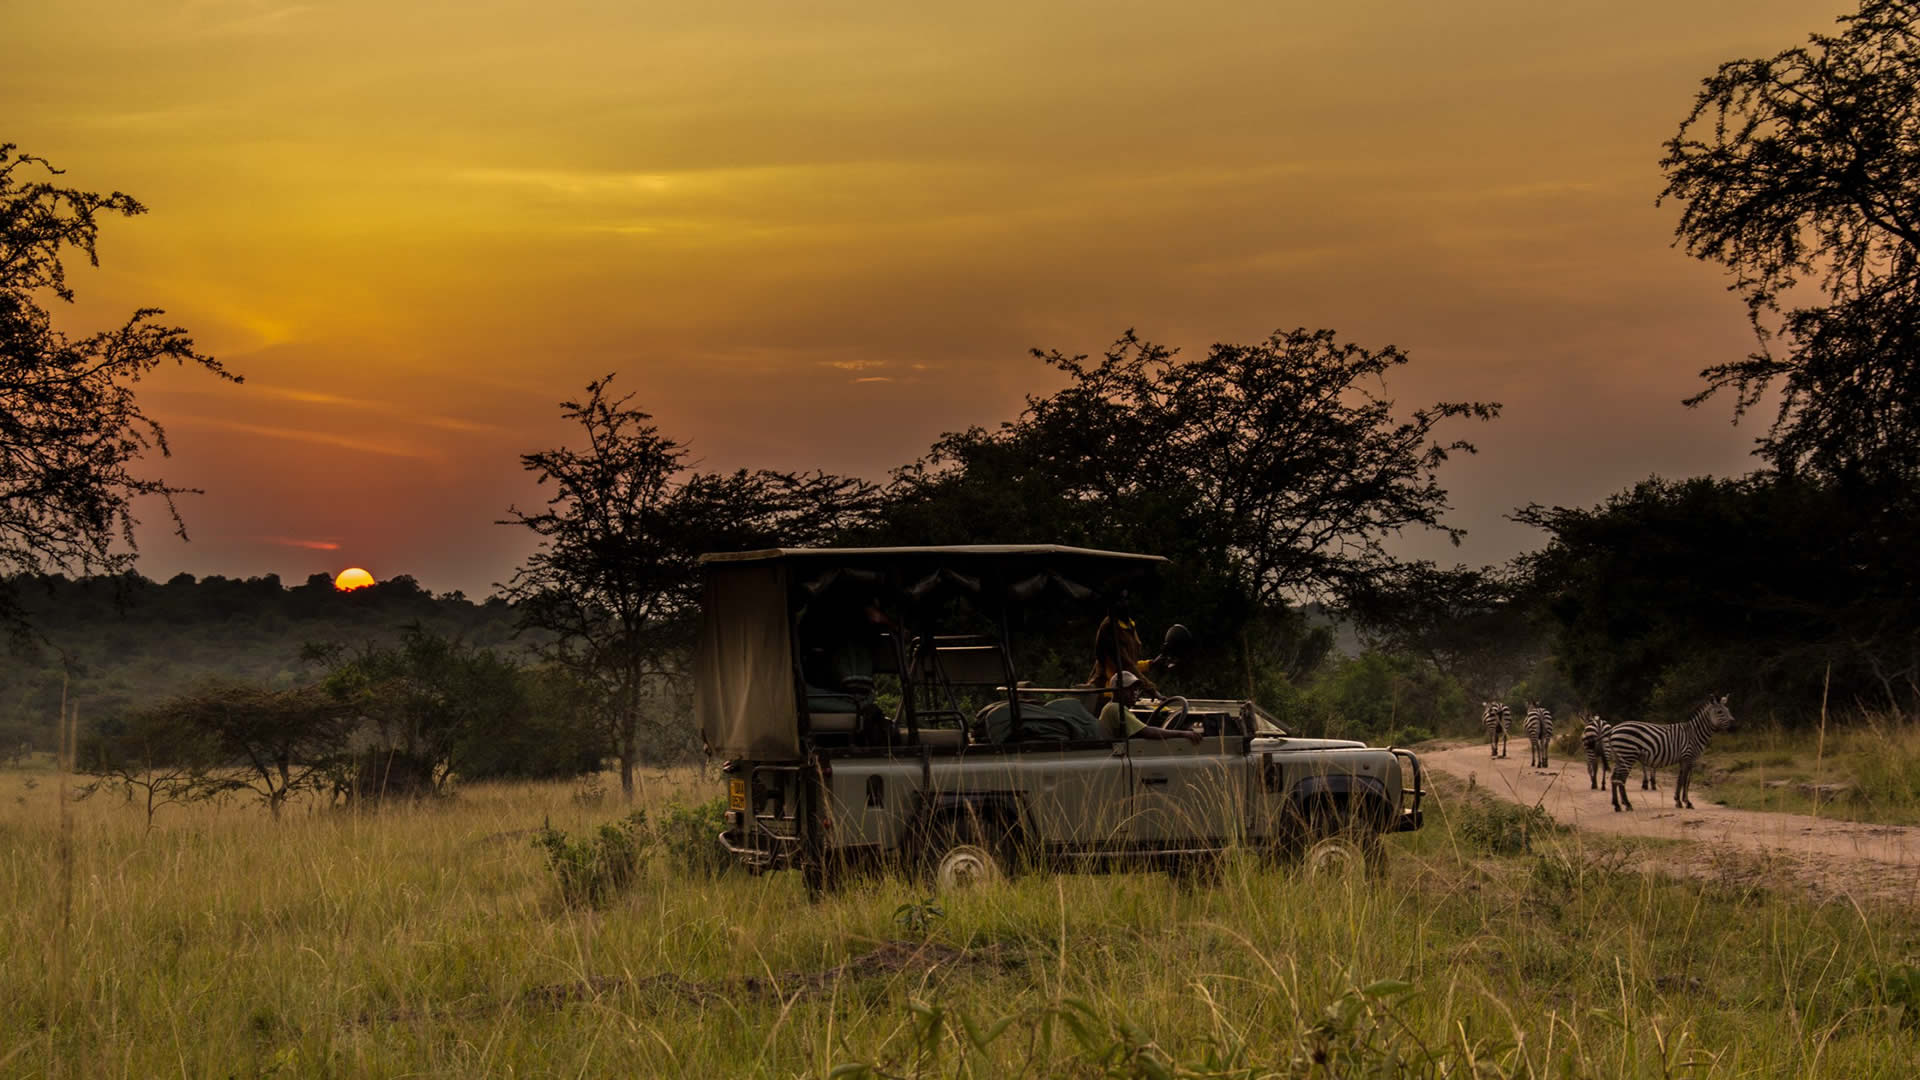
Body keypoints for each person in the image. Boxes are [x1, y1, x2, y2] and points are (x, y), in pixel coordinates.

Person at [1098, 671, 1202, 743]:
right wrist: (1183, 734)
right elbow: (1146, 732)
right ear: (1118, 691)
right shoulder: (1116, 708)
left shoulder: (1111, 707)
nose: (1135, 693)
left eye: (1136, 689)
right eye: (1129, 689)